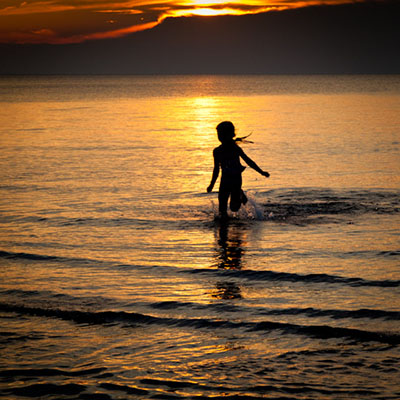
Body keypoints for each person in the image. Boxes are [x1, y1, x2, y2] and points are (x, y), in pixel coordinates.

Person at [207, 121, 270, 217]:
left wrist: (261, 172)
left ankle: (240, 193)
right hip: (224, 181)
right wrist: (211, 184)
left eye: (222, 134)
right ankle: (223, 228)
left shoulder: (235, 148)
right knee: (222, 210)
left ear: (230, 135)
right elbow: (216, 169)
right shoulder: (217, 151)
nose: (220, 136)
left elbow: (248, 161)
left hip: (236, 180)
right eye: (218, 134)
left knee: (234, 208)